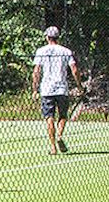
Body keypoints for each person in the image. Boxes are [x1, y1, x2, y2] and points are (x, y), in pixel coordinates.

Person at [32, 26, 79, 155]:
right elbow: (74, 70)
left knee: (49, 117)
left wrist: (35, 89)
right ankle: (59, 135)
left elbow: (36, 71)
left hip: (47, 89)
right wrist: (79, 86)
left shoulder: (41, 51)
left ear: (47, 37)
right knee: (63, 114)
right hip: (62, 88)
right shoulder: (66, 51)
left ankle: (53, 147)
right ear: (58, 37)